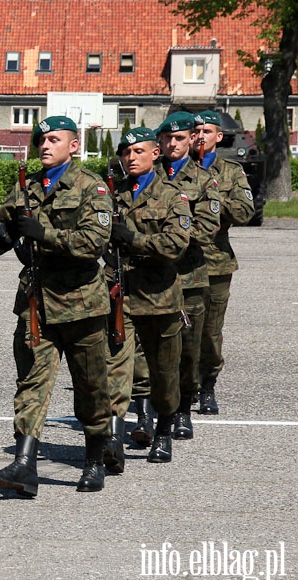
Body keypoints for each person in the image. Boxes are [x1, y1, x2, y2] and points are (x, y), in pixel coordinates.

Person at [0, 116, 113, 495]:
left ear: (74, 145)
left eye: (54, 139)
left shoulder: (92, 187)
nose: (45, 145)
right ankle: (24, 465)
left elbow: (94, 243)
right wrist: (3, 234)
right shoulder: (27, 189)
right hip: (37, 303)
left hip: (82, 303)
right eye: (42, 139)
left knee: (91, 388)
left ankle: (94, 458)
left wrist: (44, 234)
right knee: (31, 385)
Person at [105, 127, 190, 463]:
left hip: (160, 297)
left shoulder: (173, 196)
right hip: (121, 294)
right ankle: (113, 437)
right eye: (126, 152)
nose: (131, 158)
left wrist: (132, 240)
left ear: (156, 154)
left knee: (164, 373)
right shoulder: (113, 194)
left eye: (138, 151)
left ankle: (164, 429)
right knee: (115, 368)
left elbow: (175, 245)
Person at [155, 112, 220, 440]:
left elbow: (208, 228)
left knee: (188, 349)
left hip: (189, 276)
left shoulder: (204, 179)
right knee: (149, 348)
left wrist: (167, 237)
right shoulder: (148, 176)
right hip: (151, 278)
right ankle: (152, 409)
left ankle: (183, 410)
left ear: (190, 140)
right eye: (166, 139)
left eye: (179, 138)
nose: (172, 144)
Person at [192, 110, 255, 415]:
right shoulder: (176, 169)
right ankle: (181, 385)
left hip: (215, 264)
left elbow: (245, 213)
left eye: (207, 131)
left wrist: (214, 197)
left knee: (209, 333)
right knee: (176, 330)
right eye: (196, 131)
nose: (200, 136)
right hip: (176, 263)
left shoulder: (231, 171)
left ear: (219, 137)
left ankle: (207, 386)